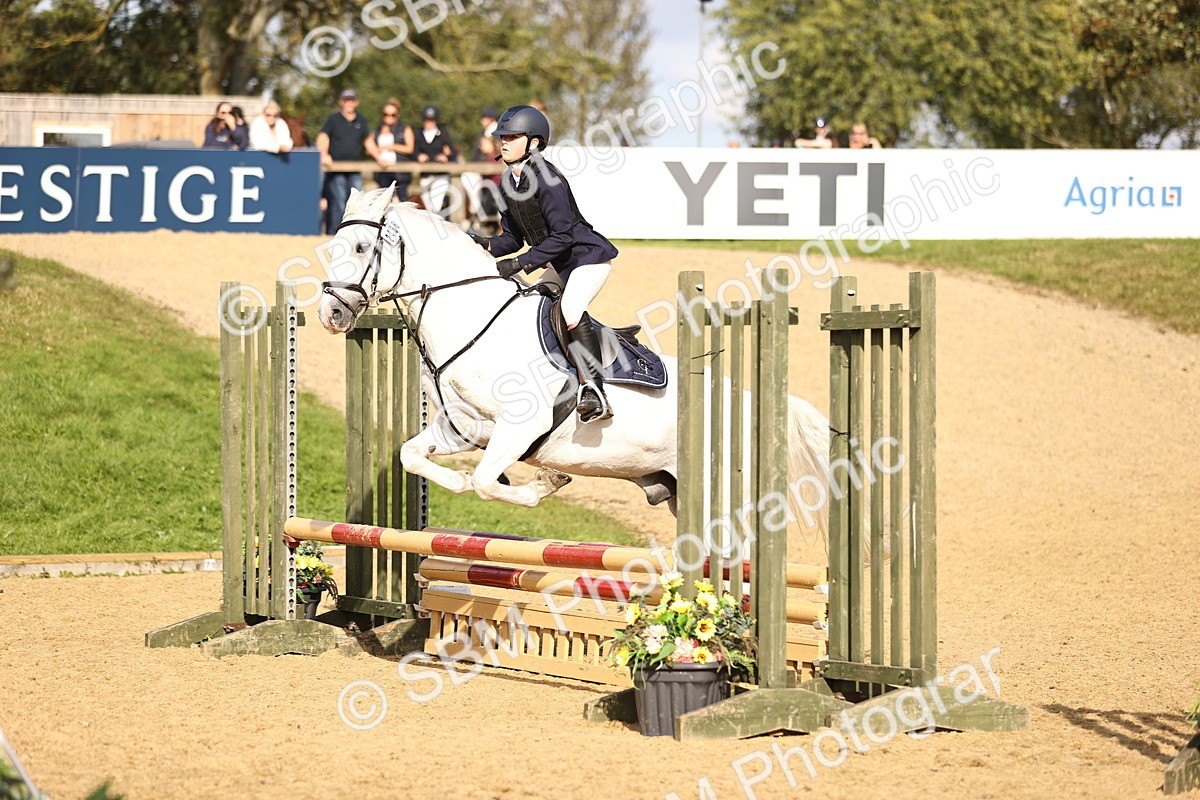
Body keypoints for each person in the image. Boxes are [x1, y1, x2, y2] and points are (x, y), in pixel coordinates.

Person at [469, 105, 618, 424]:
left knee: (572, 308)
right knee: (529, 307)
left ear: (534, 142)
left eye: (511, 136)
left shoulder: (547, 179)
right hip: (558, 262)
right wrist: (483, 244)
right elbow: (512, 238)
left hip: (586, 258)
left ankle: (595, 390)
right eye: (501, 137)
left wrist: (520, 264)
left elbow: (563, 236)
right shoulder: (508, 182)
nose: (503, 142)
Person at [316, 88, 387, 234]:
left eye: (352, 99)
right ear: (341, 102)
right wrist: (324, 154)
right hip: (336, 170)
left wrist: (378, 157)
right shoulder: (333, 120)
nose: (349, 102)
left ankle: (353, 234)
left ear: (356, 102)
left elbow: (367, 141)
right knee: (339, 203)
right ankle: (334, 234)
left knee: (357, 205)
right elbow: (323, 138)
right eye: (347, 99)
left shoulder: (361, 120)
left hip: (354, 170)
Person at [412, 104, 458, 218]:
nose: (428, 122)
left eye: (431, 120)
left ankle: (438, 225)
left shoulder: (443, 133)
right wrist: (419, 156)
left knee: (436, 203)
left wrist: (446, 156)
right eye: (426, 120)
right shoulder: (418, 133)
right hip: (425, 175)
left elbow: (453, 152)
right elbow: (413, 151)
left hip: (440, 174)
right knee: (428, 204)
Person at [462, 106, 501, 232]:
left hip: (494, 182)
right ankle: (476, 212)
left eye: (484, 118)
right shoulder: (483, 134)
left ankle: (478, 215)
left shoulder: (496, 134)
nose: (482, 120)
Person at [372, 98, 415, 201]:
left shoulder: (405, 128)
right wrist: (378, 150)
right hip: (383, 170)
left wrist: (392, 147)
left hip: (400, 171)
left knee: (403, 201)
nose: (389, 117)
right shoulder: (377, 129)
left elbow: (410, 148)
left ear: (397, 115)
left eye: (393, 115)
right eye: (386, 114)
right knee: (384, 201)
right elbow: (369, 149)